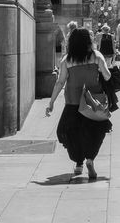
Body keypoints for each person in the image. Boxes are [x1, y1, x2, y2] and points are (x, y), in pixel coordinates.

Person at [46, 27, 112, 180]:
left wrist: (51, 102)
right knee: (96, 132)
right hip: (93, 103)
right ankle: (89, 159)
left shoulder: (67, 59)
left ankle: (78, 162)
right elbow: (108, 77)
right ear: (88, 41)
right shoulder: (96, 56)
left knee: (69, 132)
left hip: (73, 103)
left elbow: (60, 82)